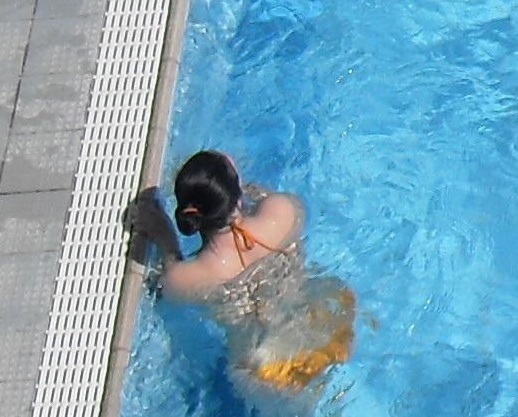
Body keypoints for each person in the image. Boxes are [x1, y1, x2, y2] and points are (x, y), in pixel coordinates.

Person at [126, 149, 360, 396]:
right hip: (327, 324)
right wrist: (233, 189)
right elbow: (258, 196)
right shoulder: (282, 211)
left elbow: (166, 285)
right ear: (235, 194)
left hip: (270, 367)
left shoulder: (191, 276)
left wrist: (164, 234)